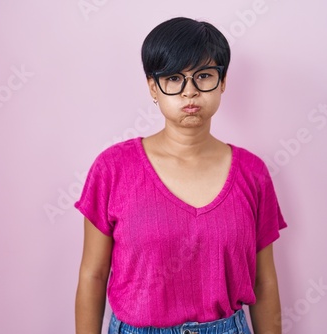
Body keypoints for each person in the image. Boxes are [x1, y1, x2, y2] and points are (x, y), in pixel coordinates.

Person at [74, 17, 287, 334]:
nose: (190, 92)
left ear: (223, 81)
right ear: (152, 86)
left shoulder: (252, 173)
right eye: (174, 78)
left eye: (203, 75)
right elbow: (93, 274)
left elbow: (264, 281)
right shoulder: (113, 169)